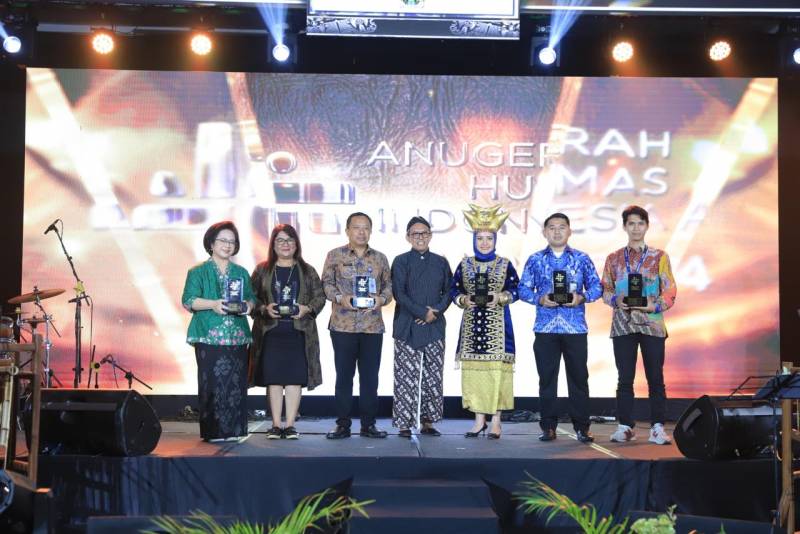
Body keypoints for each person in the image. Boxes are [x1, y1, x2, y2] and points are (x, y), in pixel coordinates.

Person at [518, 213, 603, 443]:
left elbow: (597, 287)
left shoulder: (581, 259)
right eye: (552, 228)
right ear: (544, 232)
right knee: (547, 380)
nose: (557, 232)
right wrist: (540, 299)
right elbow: (523, 289)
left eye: (562, 227)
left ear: (569, 231)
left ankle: (582, 427)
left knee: (579, 379)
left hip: (575, 328)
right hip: (545, 328)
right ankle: (548, 427)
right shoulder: (535, 259)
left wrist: (581, 297)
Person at [602, 205, 677, 445]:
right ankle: (625, 426)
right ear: (625, 226)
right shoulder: (613, 258)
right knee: (624, 378)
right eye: (631, 223)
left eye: (640, 223)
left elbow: (670, 290)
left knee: (655, 378)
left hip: (651, 325)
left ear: (647, 226)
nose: (636, 228)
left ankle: (657, 427)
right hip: (623, 325)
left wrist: (654, 305)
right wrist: (616, 300)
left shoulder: (660, 257)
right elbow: (605, 289)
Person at [249, 224, 326, 440]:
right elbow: (251, 298)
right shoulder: (262, 270)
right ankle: (276, 425)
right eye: (280, 240)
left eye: (290, 240)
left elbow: (320, 297)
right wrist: (264, 308)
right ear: (273, 244)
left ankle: (290, 425)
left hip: (298, 333)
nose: (286, 244)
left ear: (296, 244)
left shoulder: (307, 270)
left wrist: (307, 309)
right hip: (270, 333)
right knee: (274, 380)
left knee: (294, 380)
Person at [181, 221, 255, 442]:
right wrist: (213, 304)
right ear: (211, 243)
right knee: (211, 384)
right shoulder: (198, 271)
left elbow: (252, 299)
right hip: (208, 335)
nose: (227, 245)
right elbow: (188, 300)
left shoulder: (241, 272)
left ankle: (234, 431)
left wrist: (248, 306)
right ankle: (213, 432)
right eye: (223, 240)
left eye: (232, 241)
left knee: (236, 384)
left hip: (237, 336)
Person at [321, 212, 393, 439]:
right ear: (347, 231)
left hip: (372, 327)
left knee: (370, 379)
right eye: (356, 227)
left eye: (365, 228)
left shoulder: (380, 258)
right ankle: (342, 425)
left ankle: (368, 425)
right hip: (343, 326)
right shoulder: (335, 255)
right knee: (344, 377)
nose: (361, 232)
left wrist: (381, 299)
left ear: (370, 231)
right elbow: (326, 284)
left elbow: (388, 287)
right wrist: (340, 298)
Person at [451, 204, 519, 440]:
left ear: (495, 239)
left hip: (497, 328)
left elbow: (516, 290)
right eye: (480, 238)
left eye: (489, 238)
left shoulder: (505, 264)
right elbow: (454, 290)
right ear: (474, 239)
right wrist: (463, 299)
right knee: (474, 375)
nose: (484, 243)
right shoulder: (464, 264)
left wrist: (501, 297)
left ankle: (496, 422)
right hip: (472, 327)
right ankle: (479, 420)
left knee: (497, 375)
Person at [390, 216, 453, 438]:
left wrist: (434, 312)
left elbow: (450, 292)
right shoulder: (400, 261)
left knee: (433, 378)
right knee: (405, 378)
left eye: (424, 233)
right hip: (407, 326)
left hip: (435, 326)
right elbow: (399, 293)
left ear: (430, 236)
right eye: (415, 234)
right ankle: (404, 424)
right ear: (408, 237)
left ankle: (428, 422)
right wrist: (421, 312)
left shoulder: (441, 262)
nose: (420, 237)